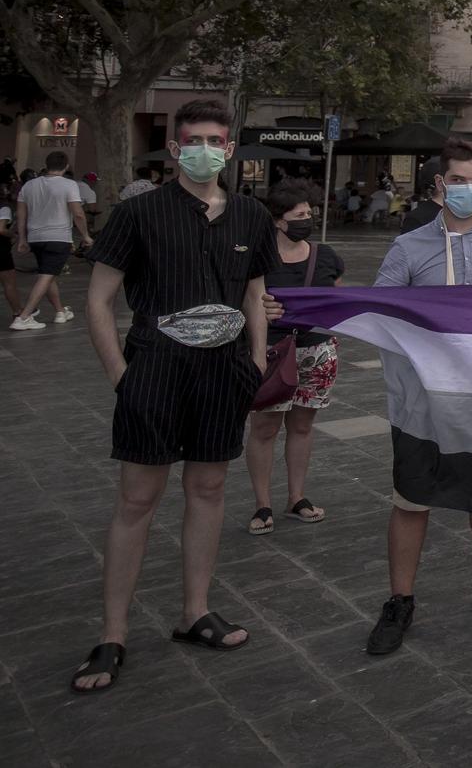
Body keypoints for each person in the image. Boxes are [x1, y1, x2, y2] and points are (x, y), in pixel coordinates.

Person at [70, 100, 276, 694]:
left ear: (230, 148)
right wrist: (121, 375)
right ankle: (113, 634)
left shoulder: (249, 216)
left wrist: (257, 360)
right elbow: (99, 300)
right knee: (138, 500)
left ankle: (195, 612)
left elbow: (254, 293)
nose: (204, 148)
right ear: (175, 147)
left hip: (224, 373)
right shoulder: (139, 214)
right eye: (193, 139)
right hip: (154, 370)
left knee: (209, 488)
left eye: (215, 139)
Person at [359, 139, 472, 656]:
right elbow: (379, 311)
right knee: (412, 498)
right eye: (460, 179)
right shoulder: (409, 247)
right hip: (423, 403)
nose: (471, 188)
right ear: (440, 185)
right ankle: (400, 600)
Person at [243, 181, 342, 535]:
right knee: (265, 428)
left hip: (316, 351)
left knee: (302, 426)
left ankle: (296, 497)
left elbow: (338, 299)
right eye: (299, 215)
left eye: (310, 214)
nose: (307, 220)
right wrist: (258, 310)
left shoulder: (326, 256)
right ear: (279, 221)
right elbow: (243, 300)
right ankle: (262, 503)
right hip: (271, 352)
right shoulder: (258, 257)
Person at [13, 151, 90, 330]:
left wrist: (22, 238)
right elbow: (78, 213)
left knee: (48, 275)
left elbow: (21, 214)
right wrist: (85, 235)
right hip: (58, 237)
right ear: (66, 166)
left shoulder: (29, 186)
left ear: (46, 164)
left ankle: (60, 311)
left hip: (35, 237)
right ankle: (24, 317)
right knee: (47, 276)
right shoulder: (69, 185)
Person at [399, 157, 443, 233]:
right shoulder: (417, 220)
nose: (469, 185)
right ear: (439, 182)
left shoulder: (463, 215)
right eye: (457, 179)